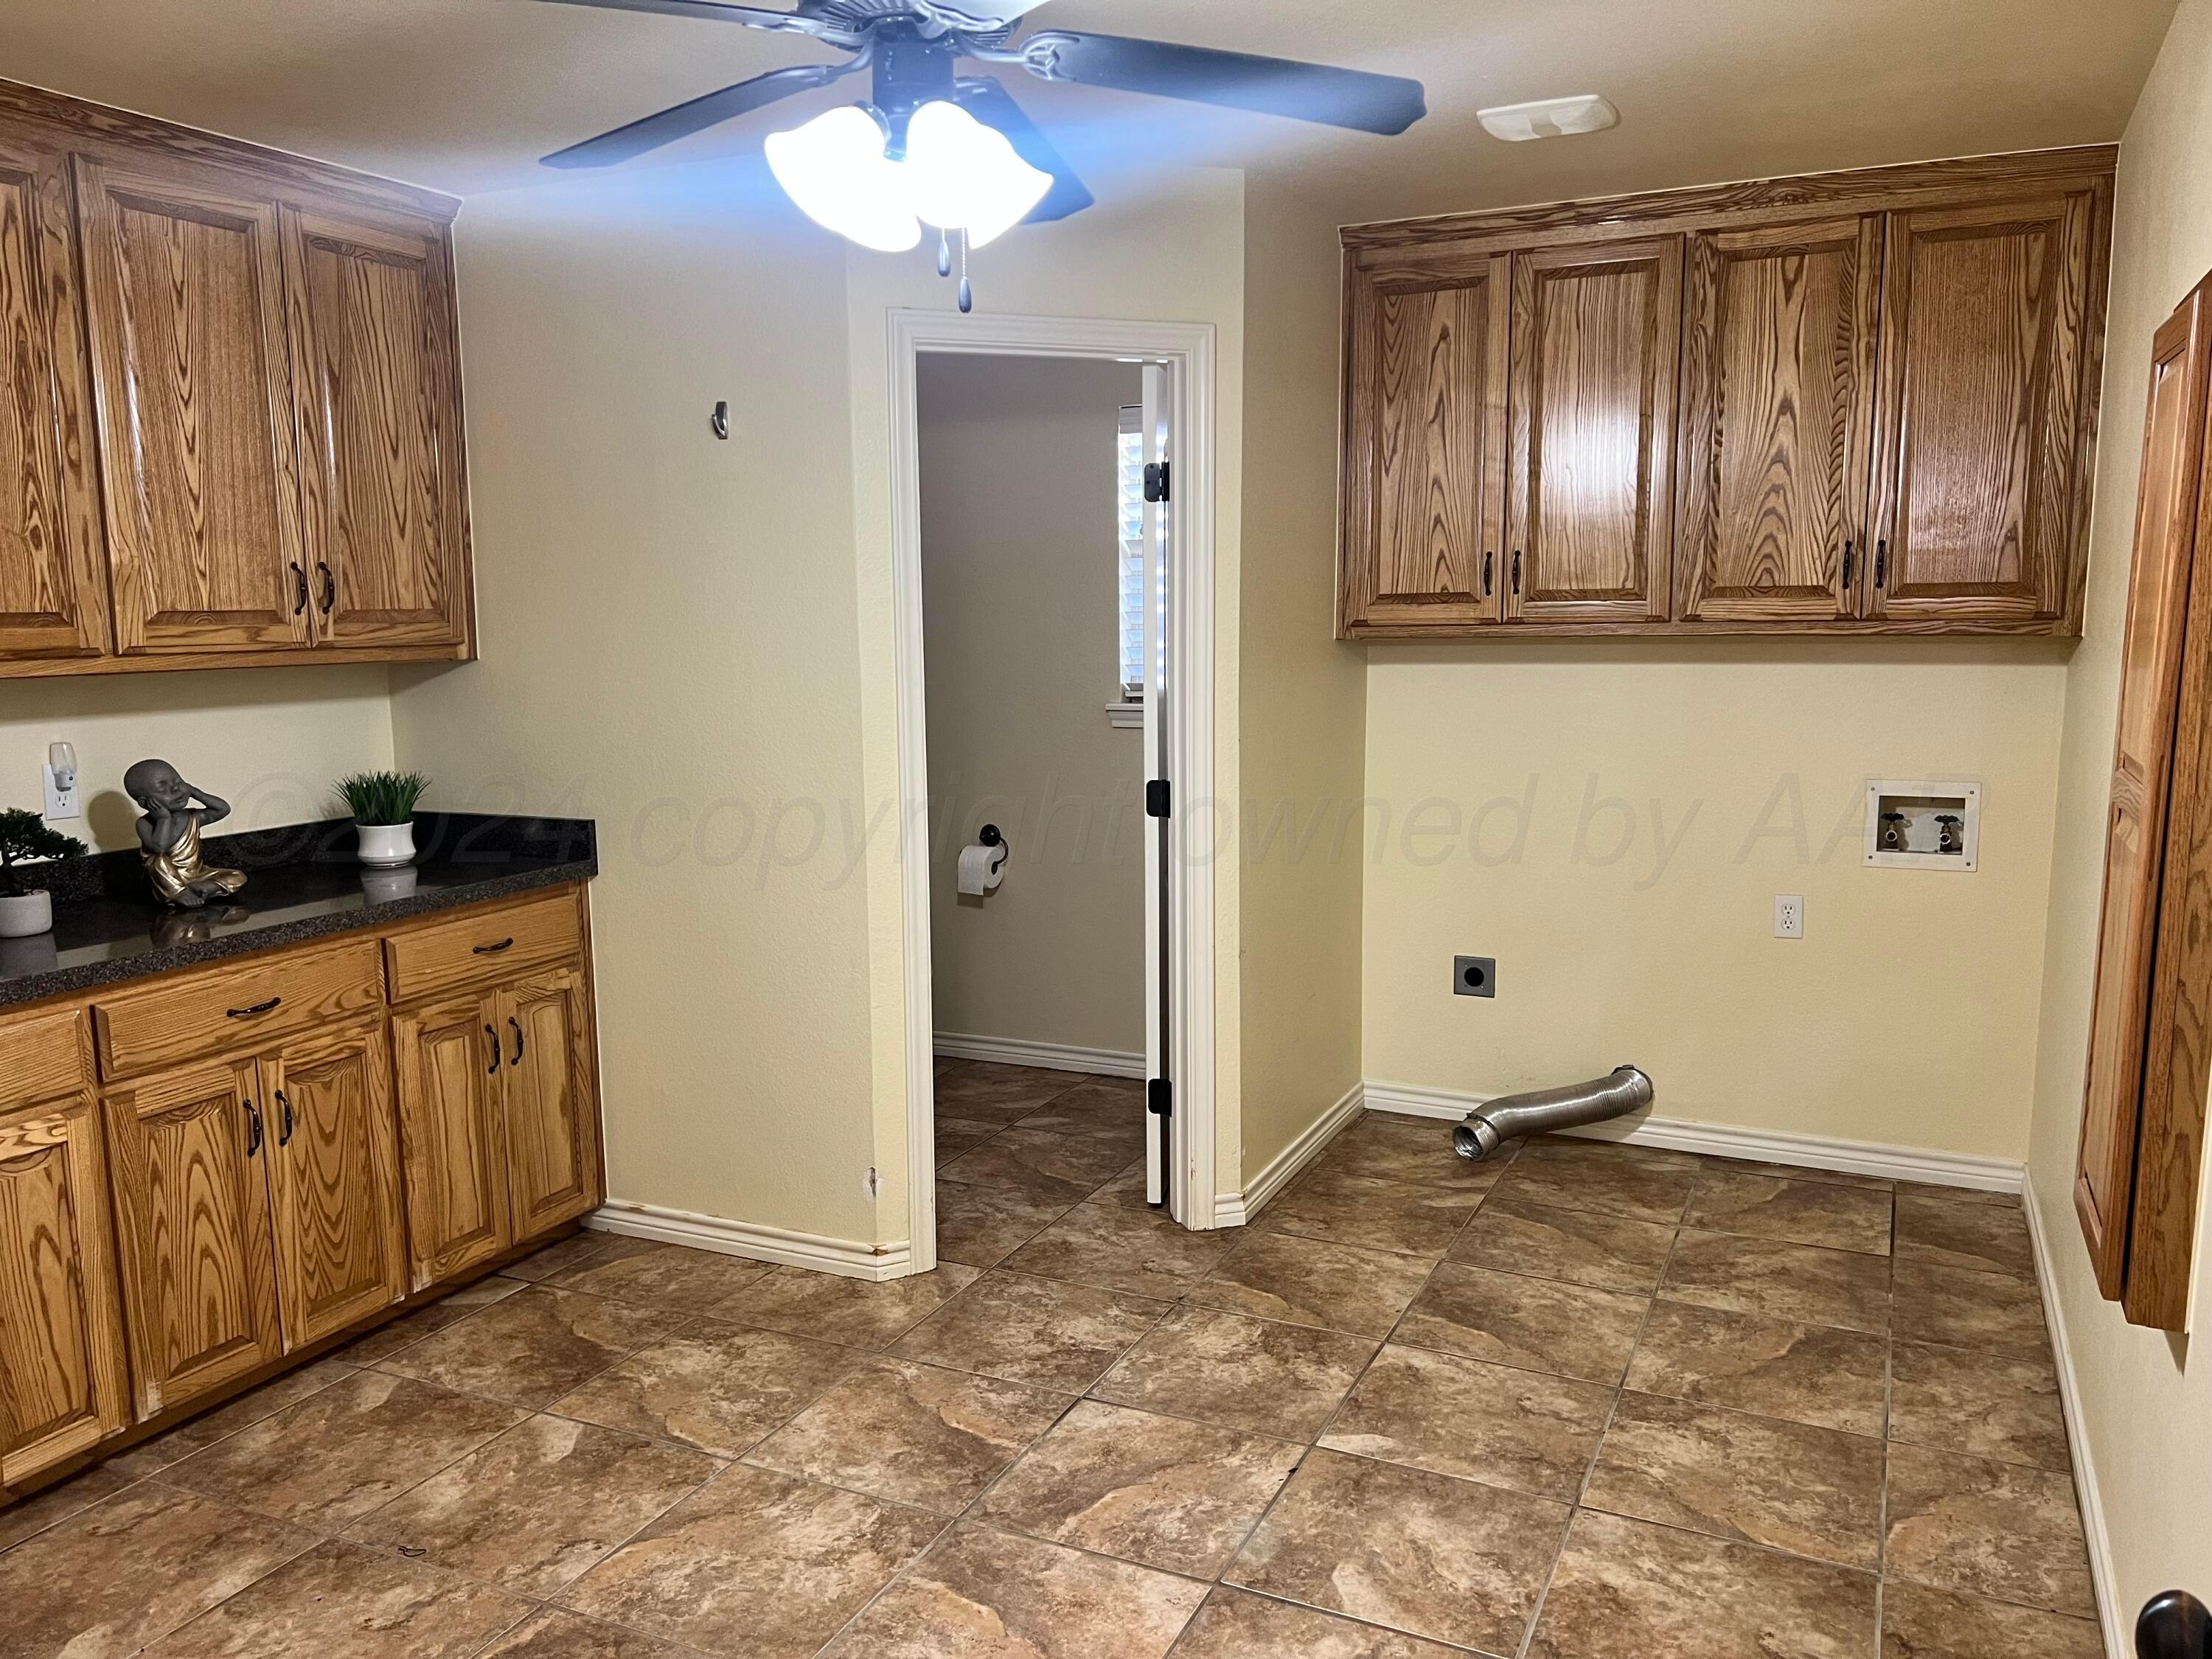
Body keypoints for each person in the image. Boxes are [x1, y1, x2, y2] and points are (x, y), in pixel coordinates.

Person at [124, 759, 248, 908]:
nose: (176, 790)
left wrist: (196, 792)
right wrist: (164, 818)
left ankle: (207, 888)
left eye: (178, 782)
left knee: (238, 876)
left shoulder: (192, 817)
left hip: (198, 875)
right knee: (156, 862)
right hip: (166, 879)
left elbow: (223, 810)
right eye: (164, 790)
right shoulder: (144, 823)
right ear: (145, 803)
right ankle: (178, 893)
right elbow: (159, 848)